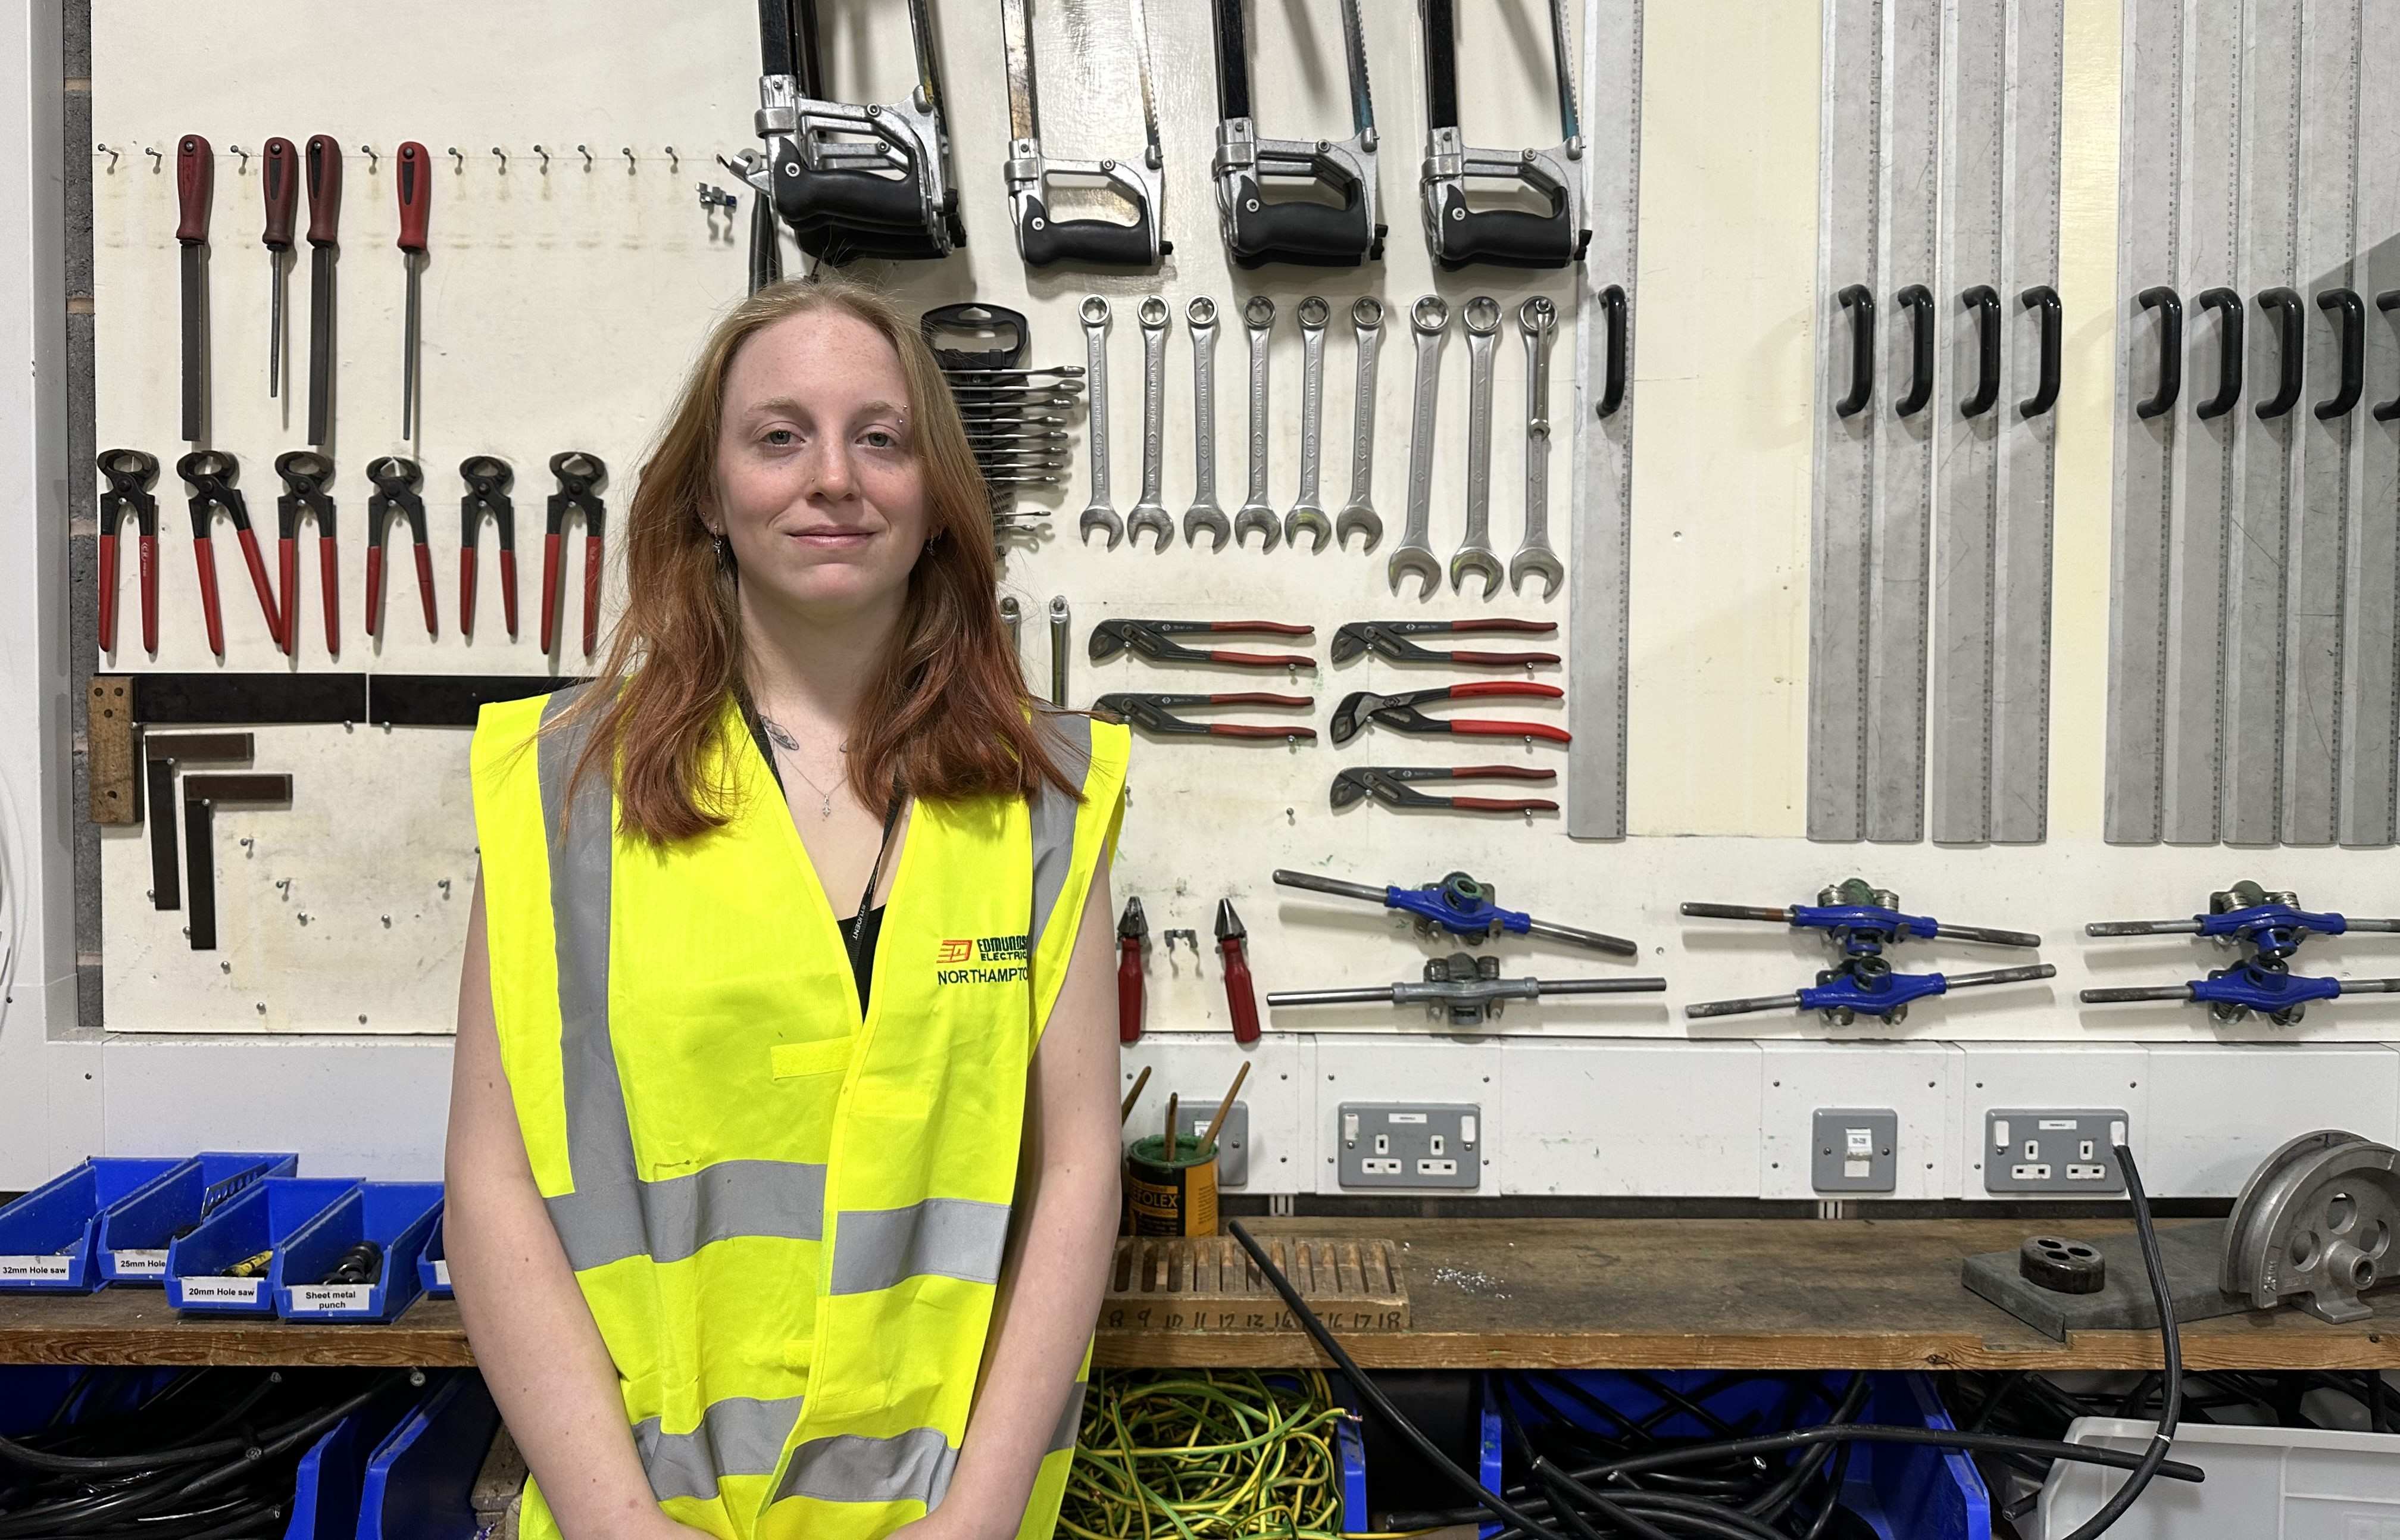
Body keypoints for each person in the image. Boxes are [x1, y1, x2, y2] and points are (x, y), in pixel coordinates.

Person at [444, 275, 1129, 1540]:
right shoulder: (560, 787)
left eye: (881, 436)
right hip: (648, 1509)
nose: (833, 477)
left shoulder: (1043, 797)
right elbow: (490, 1185)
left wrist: (973, 1523)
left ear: (936, 501)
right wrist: (615, 1521)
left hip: (948, 1516)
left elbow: (1077, 1171)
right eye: (779, 436)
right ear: (708, 492)